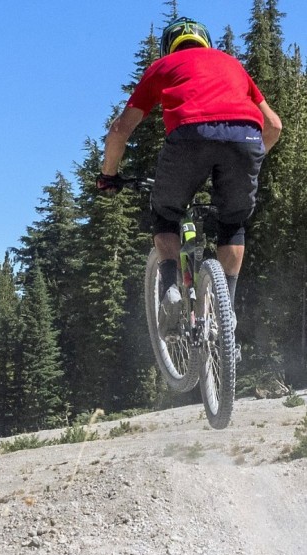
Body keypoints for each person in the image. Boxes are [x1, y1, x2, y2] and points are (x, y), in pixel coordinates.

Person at [96, 16, 282, 342]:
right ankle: (227, 315)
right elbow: (275, 126)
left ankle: (170, 287)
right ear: (206, 43)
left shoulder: (163, 67)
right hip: (246, 138)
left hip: (188, 136)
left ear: (170, 47)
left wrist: (108, 175)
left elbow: (119, 130)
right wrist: (252, 157)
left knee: (166, 215)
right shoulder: (232, 65)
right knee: (232, 225)